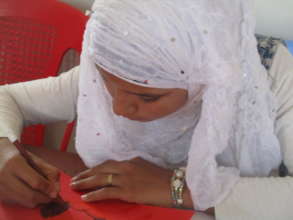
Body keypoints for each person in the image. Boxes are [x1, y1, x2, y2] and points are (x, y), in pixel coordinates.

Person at [0, 0, 293, 219]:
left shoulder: (270, 76)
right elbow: (7, 99)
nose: (118, 108)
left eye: (148, 97)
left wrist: (177, 189)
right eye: (105, 82)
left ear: (204, 78)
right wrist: (2, 150)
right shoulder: (119, 59)